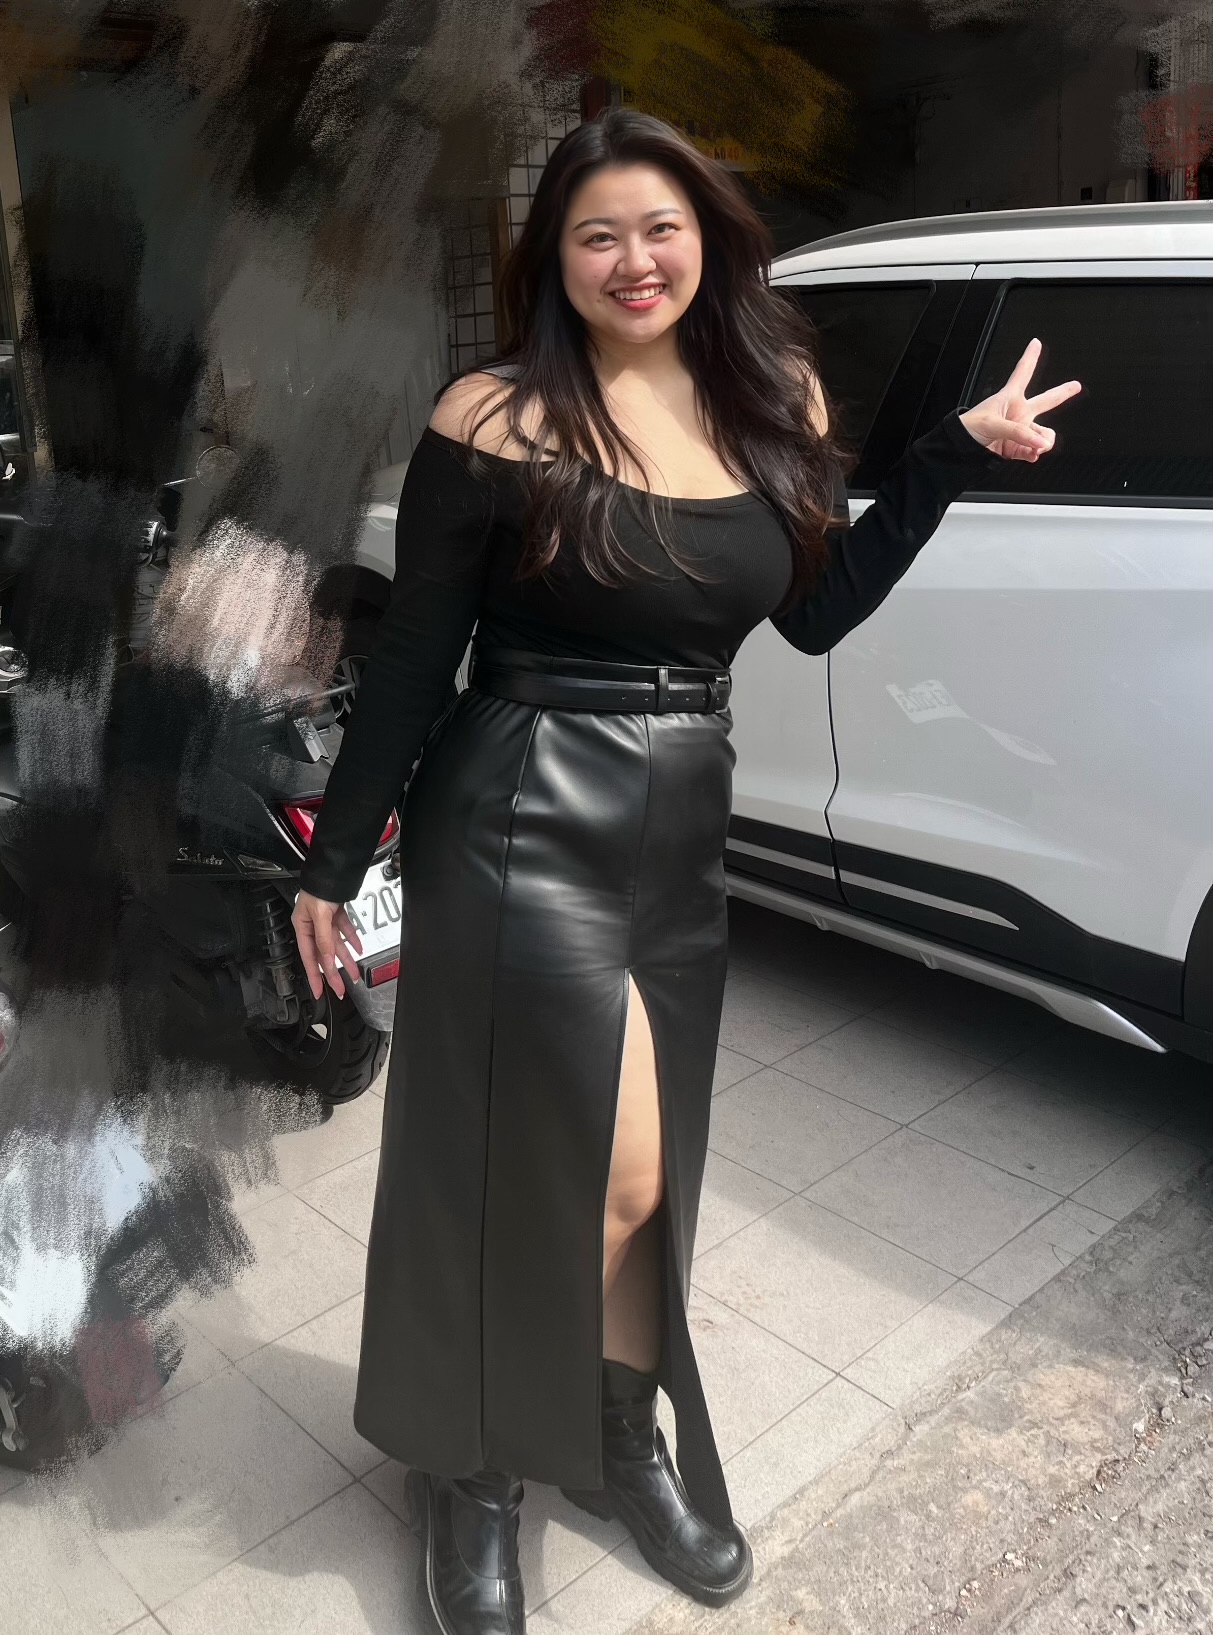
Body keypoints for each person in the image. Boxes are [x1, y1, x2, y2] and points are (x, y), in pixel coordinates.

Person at [291, 108, 1080, 1635]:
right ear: (554, 259)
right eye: (596, 234)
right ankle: (473, 1476)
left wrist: (943, 459)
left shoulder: (768, 397)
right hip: (518, 805)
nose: (632, 259)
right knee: (518, 1165)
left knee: (644, 1173)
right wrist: (335, 856)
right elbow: (413, 660)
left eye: (659, 227)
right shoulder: (490, 417)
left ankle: (612, 1435)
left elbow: (816, 611)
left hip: (676, 823)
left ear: (706, 238)